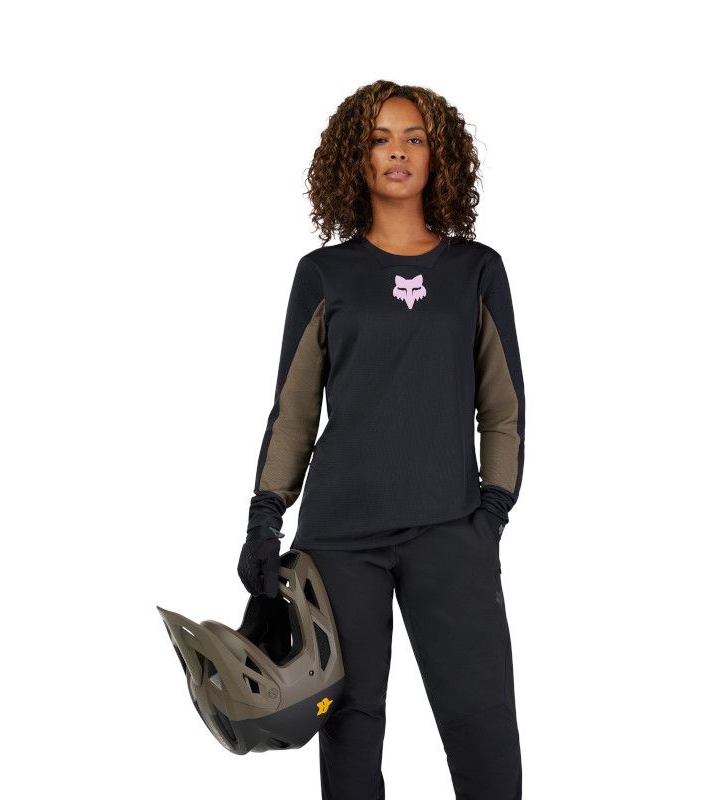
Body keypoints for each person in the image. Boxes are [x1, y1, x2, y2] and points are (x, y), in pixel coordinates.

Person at [237, 80, 525, 800]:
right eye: (379, 139)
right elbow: (294, 411)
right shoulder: (325, 274)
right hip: (341, 540)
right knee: (352, 726)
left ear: (438, 156)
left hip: (450, 529)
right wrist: (265, 518)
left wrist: (491, 512)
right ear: (355, 158)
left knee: (482, 722)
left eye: (414, 138)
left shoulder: (476, 271)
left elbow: (504, 409)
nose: (397, 152)